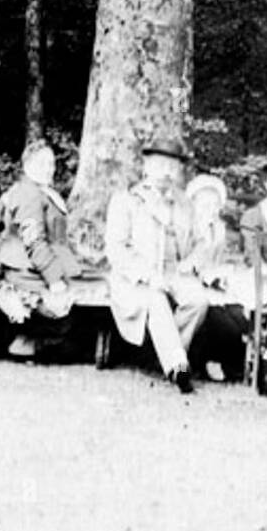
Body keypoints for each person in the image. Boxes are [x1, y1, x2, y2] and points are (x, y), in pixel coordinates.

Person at [105, 137, 210, 394]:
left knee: (198, 300)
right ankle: (177, 367)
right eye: (160, 165)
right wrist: (147, 275)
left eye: (172, 167)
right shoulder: (127, 200)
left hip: (176, 274)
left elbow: (201, 243)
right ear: (146, 167)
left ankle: (165, 354)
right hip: (137, 277)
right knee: (156, 300)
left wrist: (191, 262)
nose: (166, 172)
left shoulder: (185, 203)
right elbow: (116, 249)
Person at [0, 139, 83, 359]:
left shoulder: (41, 191)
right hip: (28, 270)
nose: (49, 169)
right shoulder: (28, 193)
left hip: (41, 265)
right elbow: (34, 242)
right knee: (67, 308)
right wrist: (55, 279)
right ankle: (29, 341)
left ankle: (36, 342)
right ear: (27, 165)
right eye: (42, 163)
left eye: (51, 163)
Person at [181, 173, 246, 382]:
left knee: (241, 316)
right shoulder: (187, 228)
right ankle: (204, 361)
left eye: (213, 203)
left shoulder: (218, 228)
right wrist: (201, 273)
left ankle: (235, 367)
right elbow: (183, 264)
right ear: (194, 203)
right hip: (190, 286)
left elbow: (216, 262)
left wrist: (221, 275)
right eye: (204, 202)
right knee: (226, 326)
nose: (209, 207)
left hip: (213, 287)